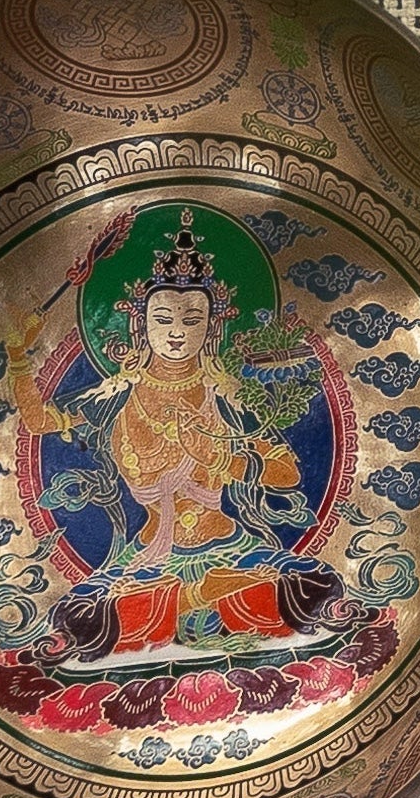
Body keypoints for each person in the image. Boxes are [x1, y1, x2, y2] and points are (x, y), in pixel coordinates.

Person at [24, 213, 350, 668]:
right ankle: (197, 599)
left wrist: (225, 466)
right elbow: (40, 420)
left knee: (304, 588)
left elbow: (287, 474)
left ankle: (191, 602)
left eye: (192, 318)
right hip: (147, 563)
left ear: (211, 327)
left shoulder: (230, 397)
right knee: (86, 615)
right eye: (163, 319)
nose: (177, 331)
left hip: (230, 551)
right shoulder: (113, 398)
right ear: (140, 326)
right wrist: (19, 360)